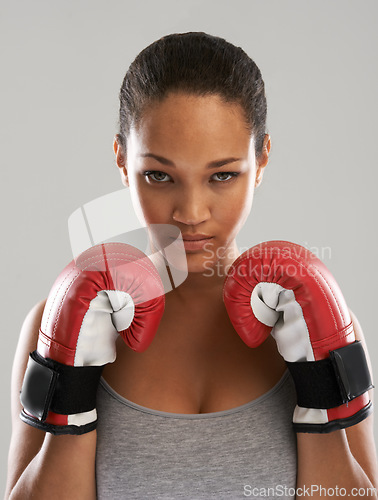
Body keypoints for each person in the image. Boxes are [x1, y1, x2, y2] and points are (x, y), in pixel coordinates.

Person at [5, 32, 378, 499]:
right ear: (122, 161)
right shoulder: (54, 323)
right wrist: (70, 400)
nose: (191, 212)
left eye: (222, 175)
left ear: (261, 159)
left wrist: (320, 403)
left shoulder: (324, 321)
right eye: (159, 175)